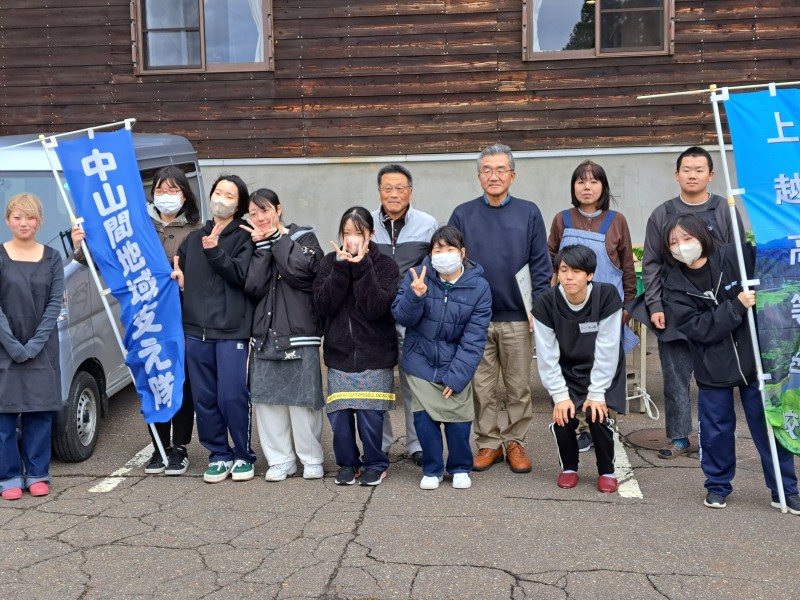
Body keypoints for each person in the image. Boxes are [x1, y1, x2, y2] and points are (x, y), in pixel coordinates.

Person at [661, 214, 800, 513]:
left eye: (687, 238)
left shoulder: (733, 255)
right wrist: (736, 306)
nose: (682, 246)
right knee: (716, 432)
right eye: (674, 242)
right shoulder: (674, 284)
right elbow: (698, 328)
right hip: (712, 367)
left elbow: (772, 260)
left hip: (757, 361)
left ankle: (785, 489)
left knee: (770, 426)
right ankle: (717, 486)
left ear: (702, 236)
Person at [72, 166, 202, 476]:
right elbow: (101, 258)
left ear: (185, 195)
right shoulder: (135, 226)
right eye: (160, 190)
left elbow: (206, 278)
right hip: (146, 319)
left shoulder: (197, 232)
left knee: (179, 381)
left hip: (182, 319)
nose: (166, 196)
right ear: (151, 194)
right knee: (152, 379)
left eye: (173, 190)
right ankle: (159, 446)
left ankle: (179, 448)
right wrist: (82, 244)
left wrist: (186, 280)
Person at [448, 143, 551, 473]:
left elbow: (541, 264)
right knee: (483, 387)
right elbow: (452, 262)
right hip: (476, 318)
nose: (494, 176)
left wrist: (538, 308)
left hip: (518, 315)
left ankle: (516, 441)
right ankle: (489, 443)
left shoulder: (529, 212)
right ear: (479, 176)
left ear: (512, 175)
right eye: (487, 170)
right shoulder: (463, 214)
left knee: (519, 387)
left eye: (500, 170)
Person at [641, 146, 747, 459]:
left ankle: (714, 436)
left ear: (710, 175)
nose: (692, 175)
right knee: (675, 374)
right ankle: (678, 437)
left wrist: (738, 304)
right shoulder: (662, 214)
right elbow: (651, 263)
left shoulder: (725, 210)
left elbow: (738, 257)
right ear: (677, 175)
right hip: (676, 305)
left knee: (720, 375)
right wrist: (655, 305)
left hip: (720, 308)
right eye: (686, 169)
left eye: (699, 169)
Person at [392, 226, 492, 490]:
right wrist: (415, 295)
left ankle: (460, 467)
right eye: (438, 249)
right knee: (424, 420)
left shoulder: (479, 287)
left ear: (462, 252)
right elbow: (402, 317)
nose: (444, 254)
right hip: (420, 360)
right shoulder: (417, 276)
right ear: (431, 254)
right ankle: (432, 469)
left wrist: (457, 376)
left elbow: (474, 338)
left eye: (450, 248)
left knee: (459, 421)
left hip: (456, 362)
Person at [547, 160, 636, 453]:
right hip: (570, 310)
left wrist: (628, 306)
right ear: (573, 187)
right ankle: (579, 425)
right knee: (573, 366)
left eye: (593, 181)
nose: (587, 187)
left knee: (606, 365)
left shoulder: (617, 220)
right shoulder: (562, 220)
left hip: (607, 309)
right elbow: (550, 262)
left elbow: (627, 266)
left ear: (603, 187)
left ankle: (603, 423)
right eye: (581, 181)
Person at [172, 174, 256, 483]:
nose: (221, 199)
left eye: (229, 195)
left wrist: (215, 251)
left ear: (239, 204)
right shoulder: (193, 239)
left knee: (232, 395)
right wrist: (181, 282)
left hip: (232, 330)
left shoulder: (245, 237)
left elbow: (241, 276)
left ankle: (243, 454)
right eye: (218, 192)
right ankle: (219, 454)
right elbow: (184, 277)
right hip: (195, 330)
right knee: (204, 398)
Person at [243, 188, 325, 482]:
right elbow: (253, 287)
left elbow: (301, 273)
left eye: (264, 210)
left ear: (278, 209)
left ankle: (311, 458)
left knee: (303, 400)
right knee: (267, 401)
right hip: (265, 332)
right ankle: (280, 461)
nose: (260, 218)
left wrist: (277, 240)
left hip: (299, 332)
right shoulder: (255, 244)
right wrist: (263, 249)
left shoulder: (304, 237)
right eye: (253, 214)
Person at [313, 207, 399, 486]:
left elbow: (375, 308)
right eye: (347, 232)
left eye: (358, 233)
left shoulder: (385, 265)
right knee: (339, 417)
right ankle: (348, 463)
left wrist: (362, 267)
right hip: (339, 354)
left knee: (370, 416)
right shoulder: (329, 263)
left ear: (370, 234)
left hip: (375, 354)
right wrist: (341, 267)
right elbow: (323, 305)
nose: (351, 239)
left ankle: (375, 463)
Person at [533, 245, 625, 493]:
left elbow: (608, 347)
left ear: (590, 275)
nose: (569, 277)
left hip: (602, 367)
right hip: (566, 369)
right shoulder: (545, 302)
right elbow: (546, 354)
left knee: (597, 416)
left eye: (576, 271)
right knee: (563, 417)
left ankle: (607, 471)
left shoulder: (606, 296)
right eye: (564, 270)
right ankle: (569, 468)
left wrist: (597, 392)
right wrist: (559, 395)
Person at [371, 164, 438, 467]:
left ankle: (416, 444)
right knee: (379, 384)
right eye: (388, 188)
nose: (394, 194)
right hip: (376, 319)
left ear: (410, 191)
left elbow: (433, 268)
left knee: (414, 384)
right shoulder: (367, 222)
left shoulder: (427, 224)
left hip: (412, 318)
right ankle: (381, 443)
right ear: (379, 192)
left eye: (400, 188)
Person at [0, 194, 64, 500]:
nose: (24, 223)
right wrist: (13, 345)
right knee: (4, 416)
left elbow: (54, 304)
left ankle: (38, 474)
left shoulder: (52, 257)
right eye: (17, 217)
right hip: (4, 347)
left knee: (40, 413)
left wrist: (35, 344)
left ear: (39, 221)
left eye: (30, 217)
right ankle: (9, 476)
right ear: (7, 220)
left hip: (43, 348)